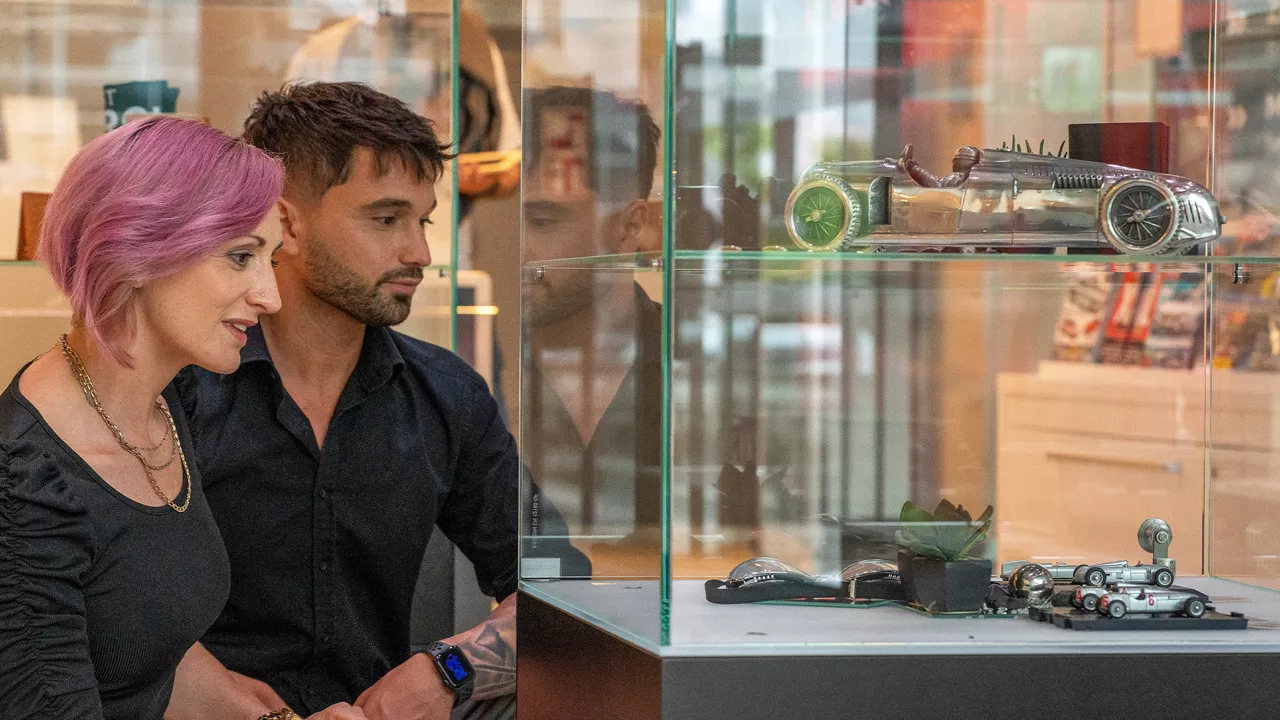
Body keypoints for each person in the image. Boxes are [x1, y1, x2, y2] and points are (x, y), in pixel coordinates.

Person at [175, 81, 581, 720]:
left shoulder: (445, 395)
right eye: (386, 218)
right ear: (287, 223)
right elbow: (105, 610)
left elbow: (562, 586)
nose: (418, 253)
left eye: (422, 220)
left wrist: (448, 672)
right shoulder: (183, 389)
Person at [0, 117, 364, 720]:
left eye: (269, 259)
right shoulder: (23, 486)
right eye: (240, 257)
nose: (269, 296)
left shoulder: (160, 408)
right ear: (137, 249)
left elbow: (149, 655)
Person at [519, 86, 665, 572]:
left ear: (628, 227)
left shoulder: (696, 367)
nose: (518, 250)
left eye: (540, 220)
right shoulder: (468, 373)